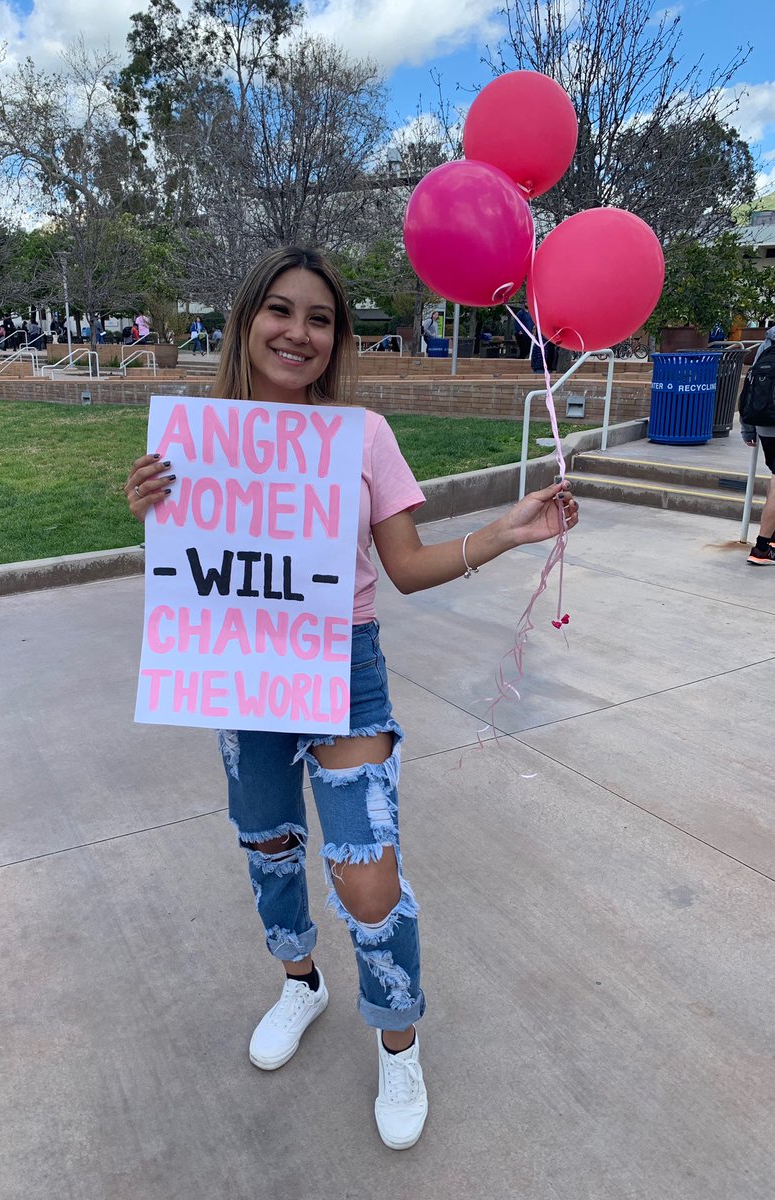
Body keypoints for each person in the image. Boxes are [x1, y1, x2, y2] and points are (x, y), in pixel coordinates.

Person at [123, 246, 579, 1151]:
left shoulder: (360, 436)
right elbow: (193, 571)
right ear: (247, 320)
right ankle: (301, 983)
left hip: (344, 669)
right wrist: (152, 512)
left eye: (321, 319)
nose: (299, 332)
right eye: (281, 310)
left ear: (337, 339)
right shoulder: (193, 439)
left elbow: (405, 567)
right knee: (268, 845)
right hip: (241, 670)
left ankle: (398, 1035)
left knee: (367, 874)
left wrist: (505, 530)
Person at [741, 327, 775, 565]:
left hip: (764, 424)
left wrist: (748, 428)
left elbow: (751, 386)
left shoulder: (769, 342)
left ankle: (771, 539)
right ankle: (762, 547)